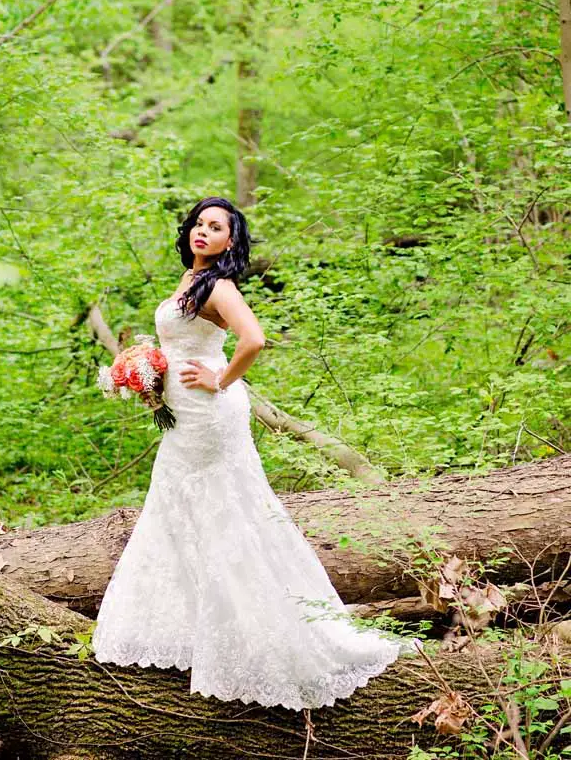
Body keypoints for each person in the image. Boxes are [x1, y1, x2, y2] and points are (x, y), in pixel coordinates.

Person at [91, 195, 419, 716]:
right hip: (184, 413)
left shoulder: (218, 286)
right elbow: (180, 345)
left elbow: (254, 339)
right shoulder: (188, 279)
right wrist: (148, 373)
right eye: (199, 223)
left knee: (221, 511)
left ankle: (255, 634)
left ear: (229, 241)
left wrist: (218, 379)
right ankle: (191, 629)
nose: (203, 231)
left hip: (208, 414)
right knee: (179, 508)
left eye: (215, 227)